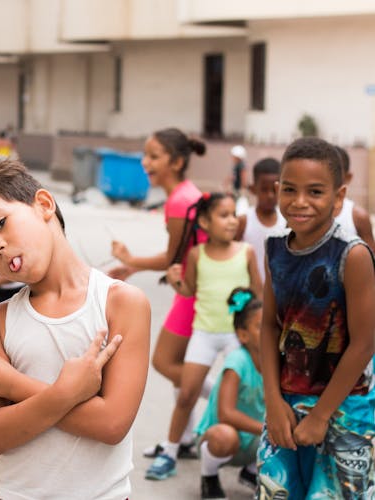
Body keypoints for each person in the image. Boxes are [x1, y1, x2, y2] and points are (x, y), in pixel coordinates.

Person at [0, 160, 150, 499]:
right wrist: (68, 393)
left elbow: (112, 424)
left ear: (44, 205)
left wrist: (12, 384)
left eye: (0, 223)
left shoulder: (121, 303)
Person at [258, 137, 375, 498]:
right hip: (286, 406)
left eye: (315, 192)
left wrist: (322, 414)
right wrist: (273, 402)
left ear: (338, 198)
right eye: (290, 190)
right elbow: (269, 326)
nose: (300, 202)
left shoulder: (352, 256)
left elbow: (365, 343)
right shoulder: (274, 249)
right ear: (278, 190)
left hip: (343, 409)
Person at [147, 192, 262, 480]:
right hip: (204, 332)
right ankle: (170, 452)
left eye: (234, 214)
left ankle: (251, 464)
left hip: (239, 336)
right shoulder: (197, 254)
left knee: (249, 394)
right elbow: (190, 290)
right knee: (186, 393)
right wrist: (176, 281)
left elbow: (258, 295)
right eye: (224, 215)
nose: (232, 221)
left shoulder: (246, 252)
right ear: (204, 221)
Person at [110, 127, 207, 459]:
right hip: (196, 288)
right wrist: (132, 267)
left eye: (153, 156)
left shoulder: (179, 201)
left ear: (177, 162)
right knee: (181, 364)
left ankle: (230, 395)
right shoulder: (186, 194)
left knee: (165, 362)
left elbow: (173, 258)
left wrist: (131, 260)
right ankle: (187, 439)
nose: (144, 162)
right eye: (145, 155)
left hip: (193, 292)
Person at [194, 287, 264, 499]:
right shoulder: (237, 361)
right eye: (261, 327)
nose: (271, 332)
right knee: (224, 435)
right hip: (222, 438)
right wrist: (267, 429)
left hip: (254, 441)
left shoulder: (276, 362)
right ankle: (209, 476)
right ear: (242, 335)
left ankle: (251, 472)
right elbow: (226, 413)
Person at [235, 157, 286, 283]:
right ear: (253, 189)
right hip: (249, 291)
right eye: (264, 190)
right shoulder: (244, 221)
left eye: (274, 190)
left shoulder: (286, 221)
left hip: (277, 290)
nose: (270, 195)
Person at [333, 145, 375, 249]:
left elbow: (370, 257)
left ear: (347, 177)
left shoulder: (357, 217)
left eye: (335, 173)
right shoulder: (306, 214)